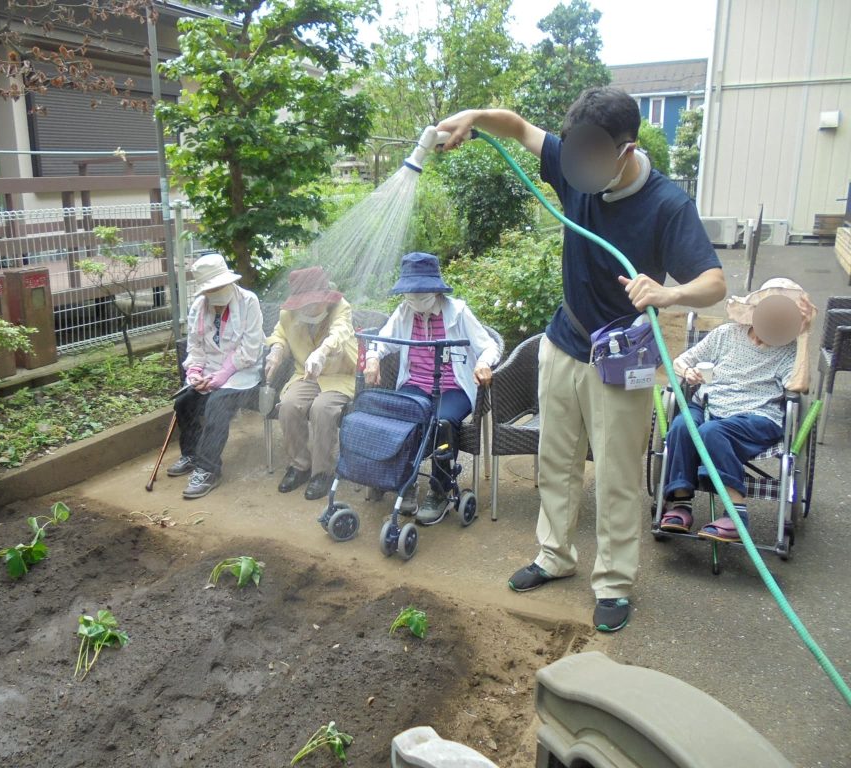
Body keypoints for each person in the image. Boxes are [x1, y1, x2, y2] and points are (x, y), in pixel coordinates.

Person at [437, 87, 727, 632]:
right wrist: (473, 116)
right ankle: (555, 556)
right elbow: (517, 126)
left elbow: (714, 282)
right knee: (556, 461)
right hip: (562, 343)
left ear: (626, 149)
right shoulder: (574, 163)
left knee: (615, 475)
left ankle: (614, 582)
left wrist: (669, 294)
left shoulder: (667, 205)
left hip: (623, 357)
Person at [662, 278, 816, 540]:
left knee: (712, 431)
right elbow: (681, 361)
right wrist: (688, 372)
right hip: (709, 405)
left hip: (757, 418)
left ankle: (736, 514)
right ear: (755, 309)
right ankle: (681, 504)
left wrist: (803, 336)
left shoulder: (790, 350)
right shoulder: (727, 334)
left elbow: (799, 385)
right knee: (681, 425)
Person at [364, 252, 499, 525]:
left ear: (435, 290)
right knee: (401, 417)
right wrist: (373, 358)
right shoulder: (404, 312)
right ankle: (406, 482)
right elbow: (382, 341)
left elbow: (489, 346)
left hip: (453, 387)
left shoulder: (458, 312)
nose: (415, 298)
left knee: (443, 423)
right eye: (411, 292)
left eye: (421, 291)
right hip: (417, 383)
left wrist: (484, 363)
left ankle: (440, 490)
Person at [166, 253, 264, 499]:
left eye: (219, 287)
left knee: (217, 404)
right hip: (208, 371)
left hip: (242, 374)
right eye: (211, 290)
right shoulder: (198, 307)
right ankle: (191, 454)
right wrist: (194, 372)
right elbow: (195, 346)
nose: (216, 296)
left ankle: (208, 469)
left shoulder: (248, 301)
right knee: (184, 401)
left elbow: (250, 349)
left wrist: (223, 375)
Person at [264, 267, 358, 500]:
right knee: (288, 406)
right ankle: (300, 465)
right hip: (306, 374)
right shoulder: (288, 314)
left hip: (339, 374)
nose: (310, 308)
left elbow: (340, 332)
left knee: (322, 409)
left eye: (314, 302)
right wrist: (276, 351)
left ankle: (323, 472)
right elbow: (280, 335)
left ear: (325, 297)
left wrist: (322, 352)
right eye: (304, 304)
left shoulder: (340, 307)